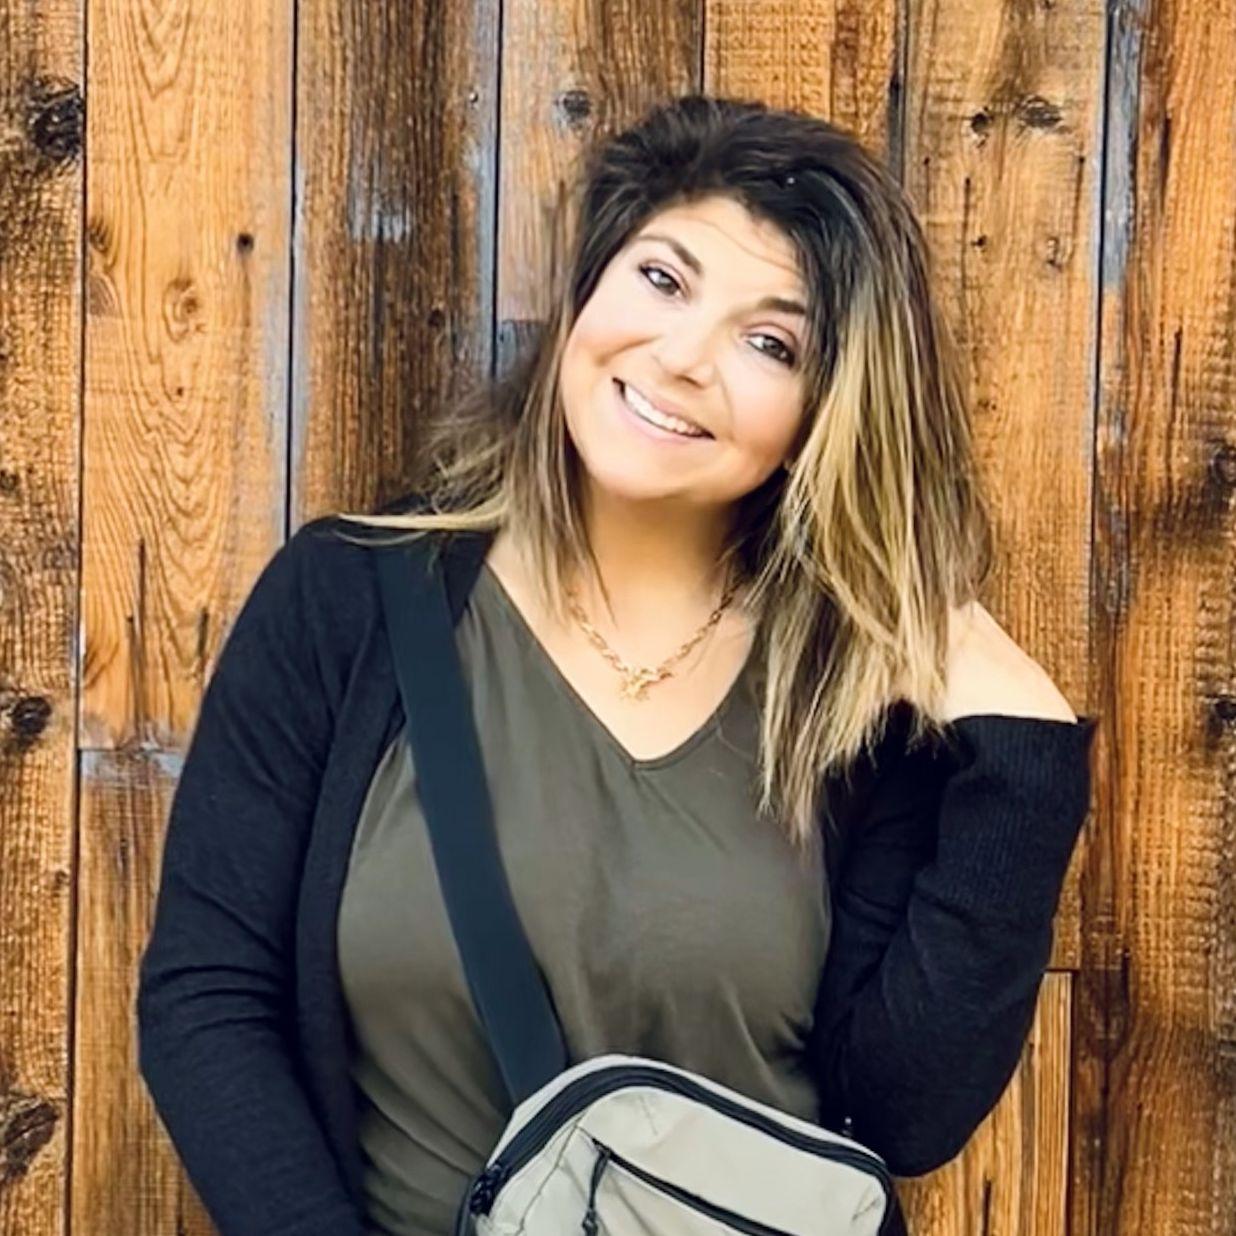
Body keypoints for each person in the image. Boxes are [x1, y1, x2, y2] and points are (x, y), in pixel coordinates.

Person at [136, 94, 1098, 1236]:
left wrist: (1023, 761)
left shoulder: (846, 693)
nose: (683, 357)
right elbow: (209, 999)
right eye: (662, 279)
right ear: (590, 287)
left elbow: (900, 1113)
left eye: (770, 343)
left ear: (822, 413)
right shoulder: (345, 602)